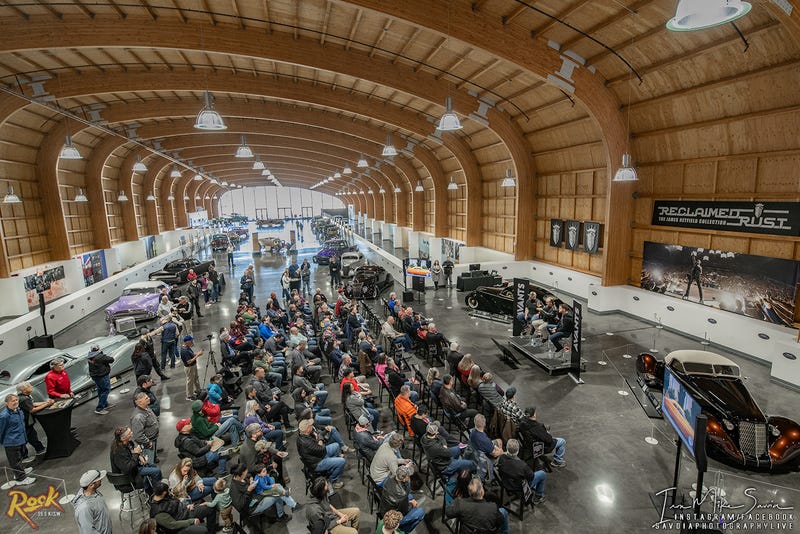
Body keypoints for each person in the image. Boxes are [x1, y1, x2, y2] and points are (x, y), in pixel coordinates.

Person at [296, 419, 347, 489]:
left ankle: (332, 467)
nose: (312, 427)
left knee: (336, 445)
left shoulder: (302, 434)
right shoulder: (306, 443)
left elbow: (317, 437)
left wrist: (322, 432)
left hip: (318, 455)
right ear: (307, 429)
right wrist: (319, 439)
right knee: (342, 461)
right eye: (311, 426)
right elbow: (322, 449)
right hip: (317, 463)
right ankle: (334, 481)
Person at [149, 481, 216, 533]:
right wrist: (191, 521)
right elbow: (173, 525)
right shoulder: (158, 513)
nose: (169, 492)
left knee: (210, 507)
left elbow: (176, 502)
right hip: (180, 523)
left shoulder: (163, 496)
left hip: (185, 511)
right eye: (167, 491)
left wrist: (187, 505)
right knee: (203, 530)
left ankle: (211, 530)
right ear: (164, 493)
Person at [109, 426, 162, 491]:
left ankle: (156, 487)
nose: (132, 433)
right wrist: (136, 454)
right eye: (129, 433)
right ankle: (157, 492)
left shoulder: (126, 442)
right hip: (128, 477)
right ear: (123, 438)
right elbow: (128, 468)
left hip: (134, 468)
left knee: (153, 466)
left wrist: (140, 456)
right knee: (156, 472)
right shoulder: (119, 451)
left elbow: (132, 451)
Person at [496, 439, 547, 505]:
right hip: (519, 487)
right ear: (518, 450)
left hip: (506, 483)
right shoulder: (522, 465)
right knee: (542, 474)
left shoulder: (501, 458)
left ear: (506, 448)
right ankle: (538, 496)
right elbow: (531, 477)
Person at [0, 394, 35, 487]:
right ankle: (21, 478)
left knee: (20, 458)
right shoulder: (4, 416)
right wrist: (4, 441)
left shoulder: (19, 410)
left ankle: (20, 471)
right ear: (7, 403)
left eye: (16, 400)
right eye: (13, 401)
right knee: (15, 461)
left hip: (21, 439)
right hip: (11, 442)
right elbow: (1, 430)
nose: (15, 402)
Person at [378, 465, 425, 533]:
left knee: (410, 496)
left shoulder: (389, 479)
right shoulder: (402, 494)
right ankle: (403, 531)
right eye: (408, 476)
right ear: (404, 479)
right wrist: (412, 504)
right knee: (421, 512)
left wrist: (404, 468)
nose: (409, 478)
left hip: (384, 509)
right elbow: (405, 510)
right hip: (392, 518)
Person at [16, 382, 53, 460]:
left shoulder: (24, 397)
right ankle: (28, 455)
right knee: (29, 437)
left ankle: (40, 448)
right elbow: (32, 409)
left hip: (25, 422)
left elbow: (32, 404)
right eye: (29, 386)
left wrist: (46, 402)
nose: (31, 387)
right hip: (24, 423)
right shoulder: (24, 399)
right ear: (24, 390)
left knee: (32, 435)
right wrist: (46, 405)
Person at [72, 469, 112, 534]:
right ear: (91, 485)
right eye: (99, 479)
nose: (101, 480)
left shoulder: (94, 492)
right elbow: (88, 532)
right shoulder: (84, 508)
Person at [131, 391, 160, 463]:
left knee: (153, 450)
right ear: (139, 402)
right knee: (148, 459)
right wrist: (147, 442)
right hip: (147, 442)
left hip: (153, 438)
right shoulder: (138, 417)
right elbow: (138, 435)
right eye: (146, 398)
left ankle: (154, 457)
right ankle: (151, 464)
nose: (149, 398)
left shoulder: (146, 407)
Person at [87, 344, 115, 415]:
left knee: (100, 390)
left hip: (96, 376)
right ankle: (99, 408)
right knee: (106, 390)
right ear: (98, 349)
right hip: (102, 376)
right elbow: (111, 359)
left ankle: (105, 404)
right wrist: (102, 353)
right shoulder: (100, 356)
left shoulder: (90, 356)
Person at [180, 335, 202, 401]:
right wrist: (198, 355)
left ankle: (198, 390)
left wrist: (197, 354)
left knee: (195, 378)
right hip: (190, 367)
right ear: (187, 342)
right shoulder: (184, 350)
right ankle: (189, 396)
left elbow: (191, 355)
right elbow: (189, 361)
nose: (192, 342)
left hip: (193, 366)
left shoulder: (187, 347)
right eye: (191, 341)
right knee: (190, 381)